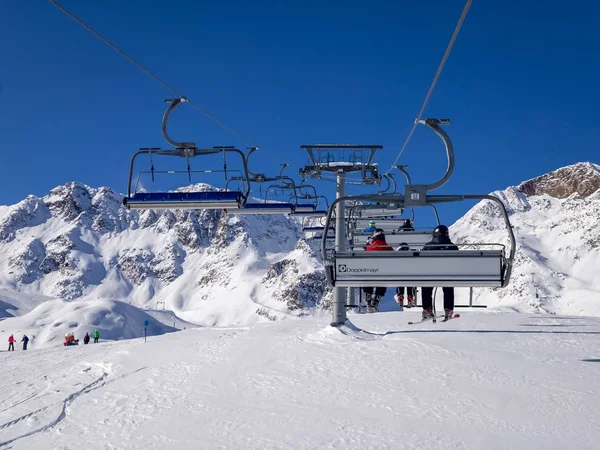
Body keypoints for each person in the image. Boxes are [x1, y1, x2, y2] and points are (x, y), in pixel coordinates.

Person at [420, 225, 458, 320]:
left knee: (426, 287)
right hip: (447, 275)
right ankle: (448, 309)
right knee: (449, 285)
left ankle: (427, 309)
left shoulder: (428, 247)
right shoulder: (453, 247)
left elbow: (422, 262)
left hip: (431, 275)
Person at [362, 228, 393, 313]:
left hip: (370, 276)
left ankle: (368, 300)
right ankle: (376, 301)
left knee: (367, 277)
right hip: (383, 277)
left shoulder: (369, 248)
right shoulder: (389, 249)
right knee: (383, 279)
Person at [394, 243, 416, 308]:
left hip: (400, 274)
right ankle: (410, 297)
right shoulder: (410, 255)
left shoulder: (398, 256)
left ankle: (400, 296)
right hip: (410, 275)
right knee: (410, 284)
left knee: (400, 282)